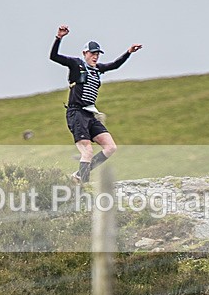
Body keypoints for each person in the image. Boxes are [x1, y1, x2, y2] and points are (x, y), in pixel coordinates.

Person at [50, 25, 142, 183]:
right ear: (85, 53)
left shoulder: (98, 69)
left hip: (90, 114)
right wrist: (59, 38)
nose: (95, 57)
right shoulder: (76, 64)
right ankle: (84, 186)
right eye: (93, 53)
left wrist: (128, 52)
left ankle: (79, 175)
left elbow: (114, 65)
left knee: (110, 147)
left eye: (98, 54)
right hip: (76, 113)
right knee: (87, 151)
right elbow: (54, 56)